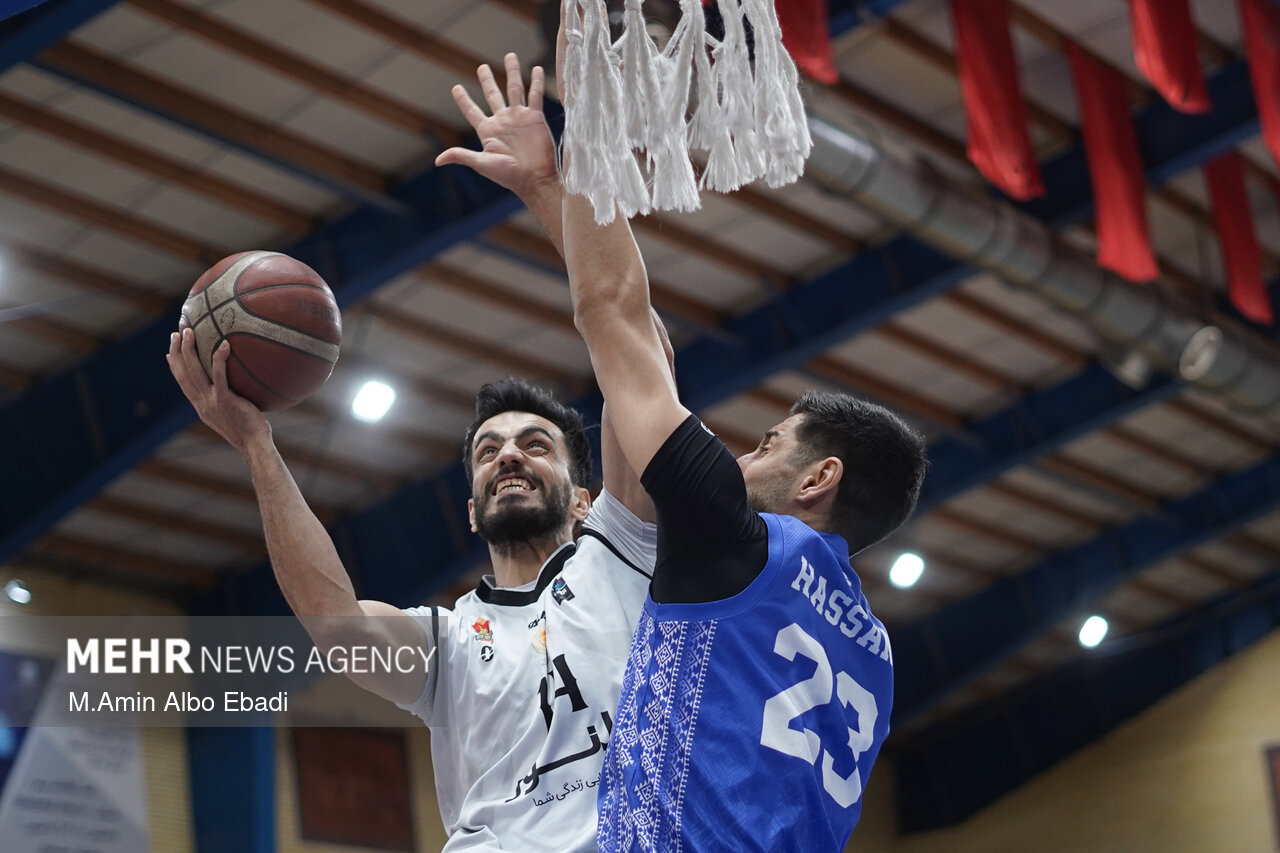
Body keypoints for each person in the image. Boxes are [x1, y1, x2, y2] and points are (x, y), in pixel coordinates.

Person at [167, 55, 670, 853]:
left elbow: (636, 346)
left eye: (535, 444)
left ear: (584, 497)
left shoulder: (624, 553)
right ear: (471, 510)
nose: (508, 457)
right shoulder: (448, 642)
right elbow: (334, 624)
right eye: (488, 451)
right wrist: (256, 443)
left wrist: (548, 188)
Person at [550, 8, 930, 849]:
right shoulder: (873, 650)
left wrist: (586, 117)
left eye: (768, 443)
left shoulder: (738, 541)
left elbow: (615, 313)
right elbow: (641, 346)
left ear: (818, 477)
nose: (741, 455)